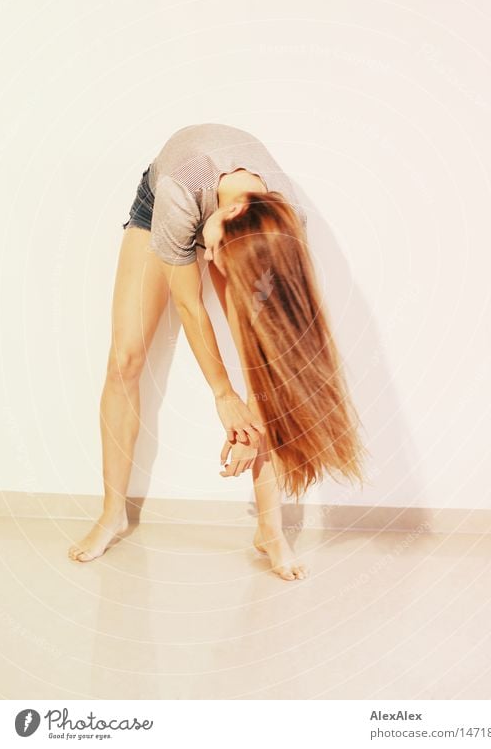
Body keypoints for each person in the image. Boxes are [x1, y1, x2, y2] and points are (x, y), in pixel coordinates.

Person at [68, 123, 368, 580]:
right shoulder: (178, 193)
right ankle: (113, 513)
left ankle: (270, 531)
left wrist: (253, 418)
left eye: (215, 258)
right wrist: (224, 396)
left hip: (231, 225)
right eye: (211, 252)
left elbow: (274, 354)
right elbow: (190, 305)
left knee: (269, 371)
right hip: (165, 204)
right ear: (229, 218)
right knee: (125, 359)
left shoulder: (287, 223)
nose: (207, 263)